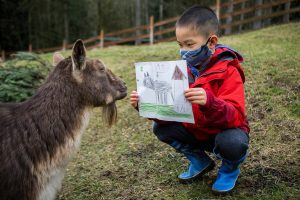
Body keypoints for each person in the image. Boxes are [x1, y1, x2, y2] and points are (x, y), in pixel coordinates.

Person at [130, 5, 250, 193]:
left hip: (222, 134)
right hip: (197, 130)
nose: (183, 51)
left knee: (233, 142)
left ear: (211, 42)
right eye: (180, 45)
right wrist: (146, 105)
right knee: (160, 128)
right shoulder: (181, 72)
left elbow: (235, 116)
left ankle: (229, 169)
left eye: (189, 44)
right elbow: (173, 112)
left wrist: (210, 102)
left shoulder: (229, 71)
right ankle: (200, 161)